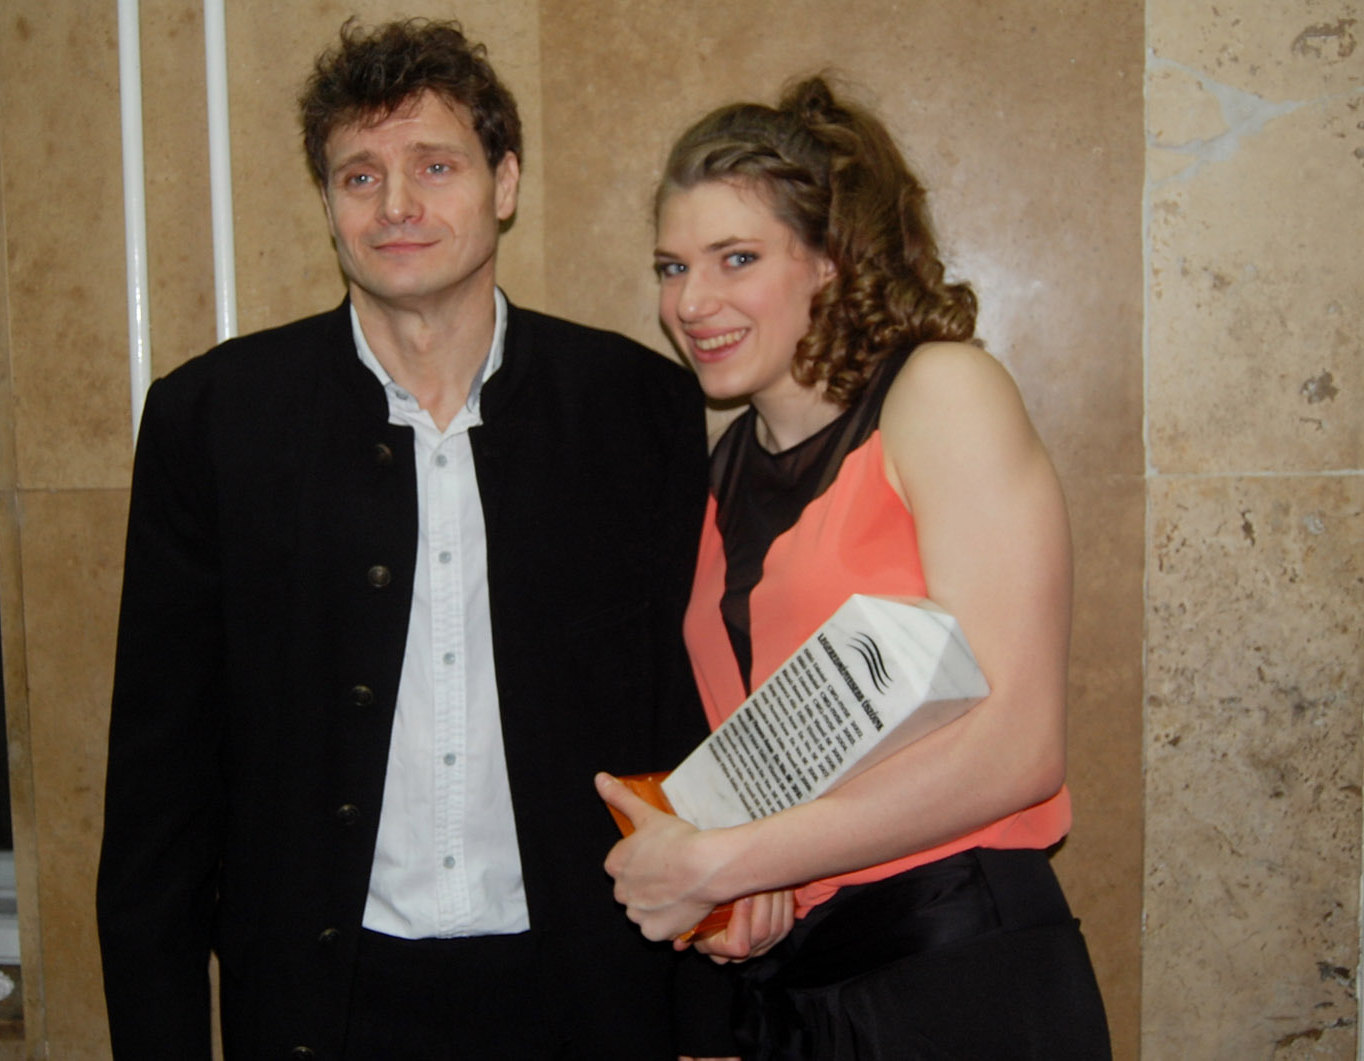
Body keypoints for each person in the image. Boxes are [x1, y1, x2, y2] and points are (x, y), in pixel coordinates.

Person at [95, 19, 736, 1061]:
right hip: (322, 1006)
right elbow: (158, 792)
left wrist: (711, 1025)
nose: (395, 204)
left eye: (435, 166)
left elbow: (687, 723)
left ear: (504, 182)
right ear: (328, 204)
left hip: (585, 994)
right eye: (360, 176)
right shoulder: (213, 421)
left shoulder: (636, 408)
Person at [596, 77, 1111, 1058]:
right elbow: (785, 758)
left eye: (736, 258)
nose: (690, 302)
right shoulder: (718, 472)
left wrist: (725, 860)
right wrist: (750, 892)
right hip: (799, 996)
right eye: (671, 266)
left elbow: (1020, 748)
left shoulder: (942, 392)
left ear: (828, 260)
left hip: (960, 971)